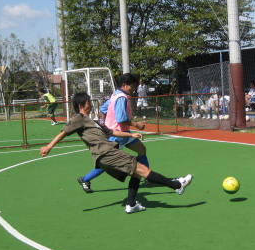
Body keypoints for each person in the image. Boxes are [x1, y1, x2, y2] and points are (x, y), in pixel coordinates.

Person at [40, 92, 192, 214]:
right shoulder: (78, 118)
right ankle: (177, 185)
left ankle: (131, 204)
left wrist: (131, 134)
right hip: (106, 154)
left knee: (136, 174)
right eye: (88, 102)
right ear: (81, 105)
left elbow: (112, 132)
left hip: (107, 154)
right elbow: (63, 132)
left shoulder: (94, 122)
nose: (91, 104)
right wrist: (49, 146)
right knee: (142, 170)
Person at [77, 73, 149, 194]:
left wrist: (105, 123)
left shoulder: (115, 95)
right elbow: (121, 119)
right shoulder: (121, 98)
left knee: (141, 149)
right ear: (125, 85)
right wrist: (137, 124)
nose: (134, 89)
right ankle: (85, 179)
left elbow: (103, 109)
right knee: (109, 163)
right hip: (117, 135)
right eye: (132, 86)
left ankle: (147, 176)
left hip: (124, 133)